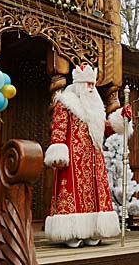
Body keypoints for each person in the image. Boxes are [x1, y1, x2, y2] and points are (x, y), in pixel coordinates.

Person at [44, 64, 132, 248]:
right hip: (73, 157)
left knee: (94, 194)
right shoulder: (65, 102)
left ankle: (92, 230)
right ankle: (71, 232)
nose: (91, 88)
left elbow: (105, 127)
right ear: (78, 84)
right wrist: (58, 149)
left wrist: (121, 118)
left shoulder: (96, 106)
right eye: (87, 84)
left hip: (94, 158)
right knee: (73, 193)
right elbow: (59, 127)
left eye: (93, 84)